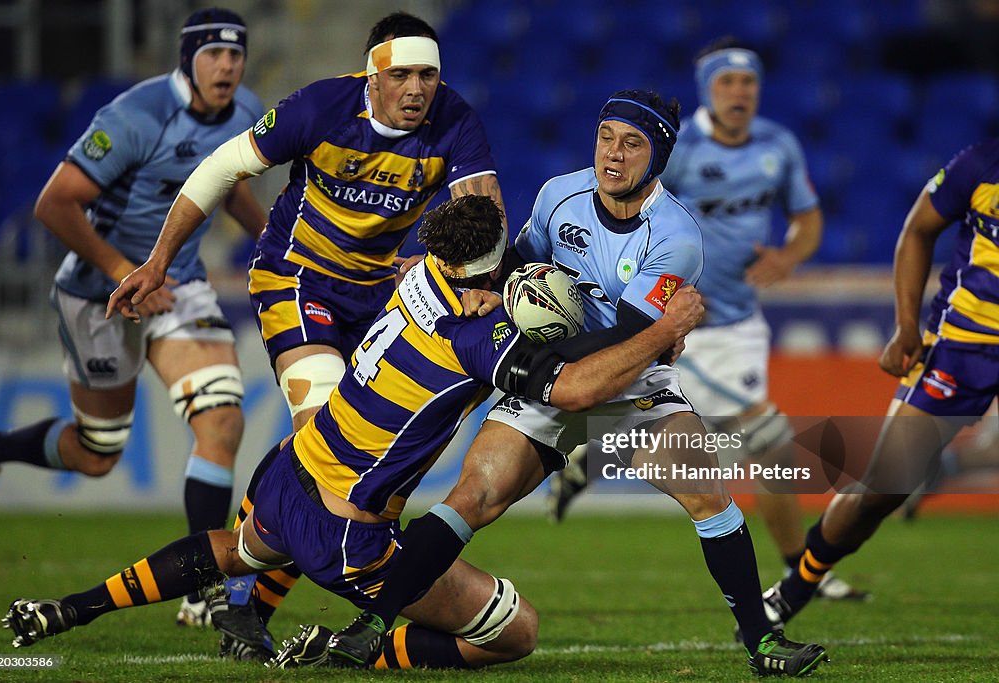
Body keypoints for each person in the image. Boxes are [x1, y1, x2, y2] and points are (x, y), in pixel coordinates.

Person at [3, 194, 706, 671]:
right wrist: (666, 329)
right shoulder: (478, 336)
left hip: (289, 475)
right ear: (492, 268)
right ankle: (365, 650)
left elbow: (492, 282)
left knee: (236, 549)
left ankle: (75, 605)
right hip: (351, 536)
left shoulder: (420, 275)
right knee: (515, 631)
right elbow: (579, 387)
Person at [321, 90, 828, 678]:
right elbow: (516, 263)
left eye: (632, 143)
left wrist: (542, 355)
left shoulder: (677, 238)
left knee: (708, 493)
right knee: (472, 498)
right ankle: (373, 626)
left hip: (632, 375)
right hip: (552, 372)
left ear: (658, 157)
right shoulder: (559, 194)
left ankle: (762, 643)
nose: (612, 154)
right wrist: (451, 276)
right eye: (605, 137)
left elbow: (629, 341)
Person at [106, 13, 507, 645]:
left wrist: (482, 279)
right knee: (321, 442)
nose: (416, 89)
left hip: (381, 294)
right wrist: (157, 263)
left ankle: (246, 607)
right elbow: (219, 170)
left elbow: (482, 205)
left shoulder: (454, 118)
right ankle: (241, 598)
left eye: (427, 75)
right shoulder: (320, 107)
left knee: (348, 461)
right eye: (400, 74)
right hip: (298, 278)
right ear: (371, 75)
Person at [0, 7, 266, 628]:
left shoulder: (246, 112)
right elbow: (53, 204)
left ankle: (201, 587)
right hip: (98, 292)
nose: (227, 66)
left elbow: (232, 183)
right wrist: (122, 273)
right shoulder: (135, 116)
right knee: (97, 450)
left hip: (179, 286)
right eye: (214, 54)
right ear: (187, 58)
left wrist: (274, 241)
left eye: (236, 55)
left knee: (222, 418)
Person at [546, 38, 866, 602]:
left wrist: (788, 257)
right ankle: (802, 575)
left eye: (748, 82)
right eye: (726, 82)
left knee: (722, 443)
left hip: (737, 322)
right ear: (706, 90)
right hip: (671, 328)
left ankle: (590, 456)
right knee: (764, 440)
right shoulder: (671, 148)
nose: (739, 92)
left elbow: (807, 218)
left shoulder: (778, 146)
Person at [759, 137, 999, 628]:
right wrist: (906, 325)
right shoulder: (982, 163)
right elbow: (917, 231)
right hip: (962, 348)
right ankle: (798, 584)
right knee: (884, 489)